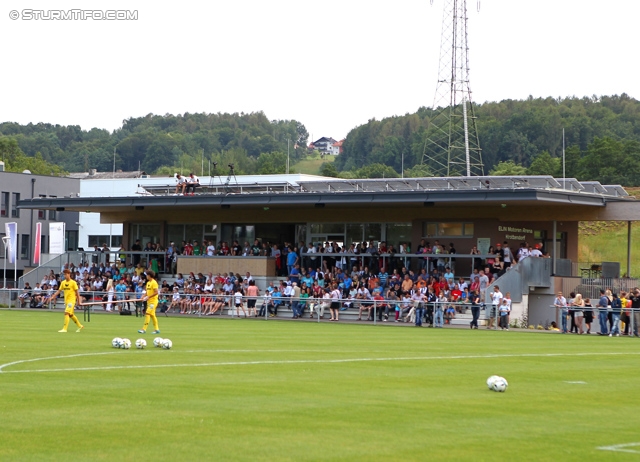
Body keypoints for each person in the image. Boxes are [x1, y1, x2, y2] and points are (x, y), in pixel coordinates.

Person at [138, 270, 161, 334]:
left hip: (153, 302)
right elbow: (147, 292)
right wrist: (143, 296)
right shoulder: (148, 283)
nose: (146, 276)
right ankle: (157, 329)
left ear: (149, 275)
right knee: (152, 315)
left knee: (147, 313)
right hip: (149, 302)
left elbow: (156, 292)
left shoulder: (154, 283)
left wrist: (148, 297)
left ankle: (144, 329)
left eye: (147, 275)